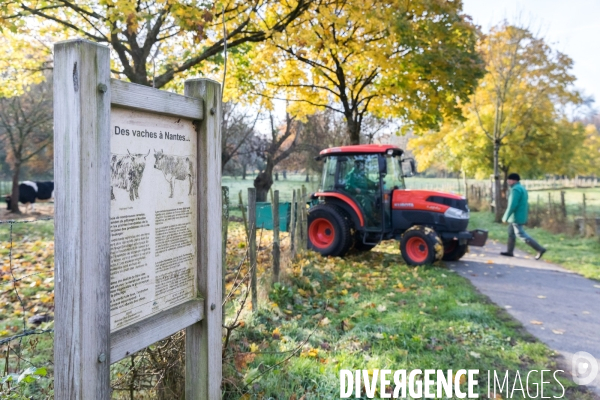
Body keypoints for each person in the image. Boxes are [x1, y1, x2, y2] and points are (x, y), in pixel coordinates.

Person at [501, 173, 547, 259]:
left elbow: (512, 205)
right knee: (511, 233)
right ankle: (509, 251)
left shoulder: (516, 190)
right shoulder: (522, 188)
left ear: (514, 180)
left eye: (509, 180)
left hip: (516, 216)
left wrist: (505, 217)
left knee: (520, 233)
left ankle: (540, 249)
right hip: (520, 214)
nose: (508, 181)